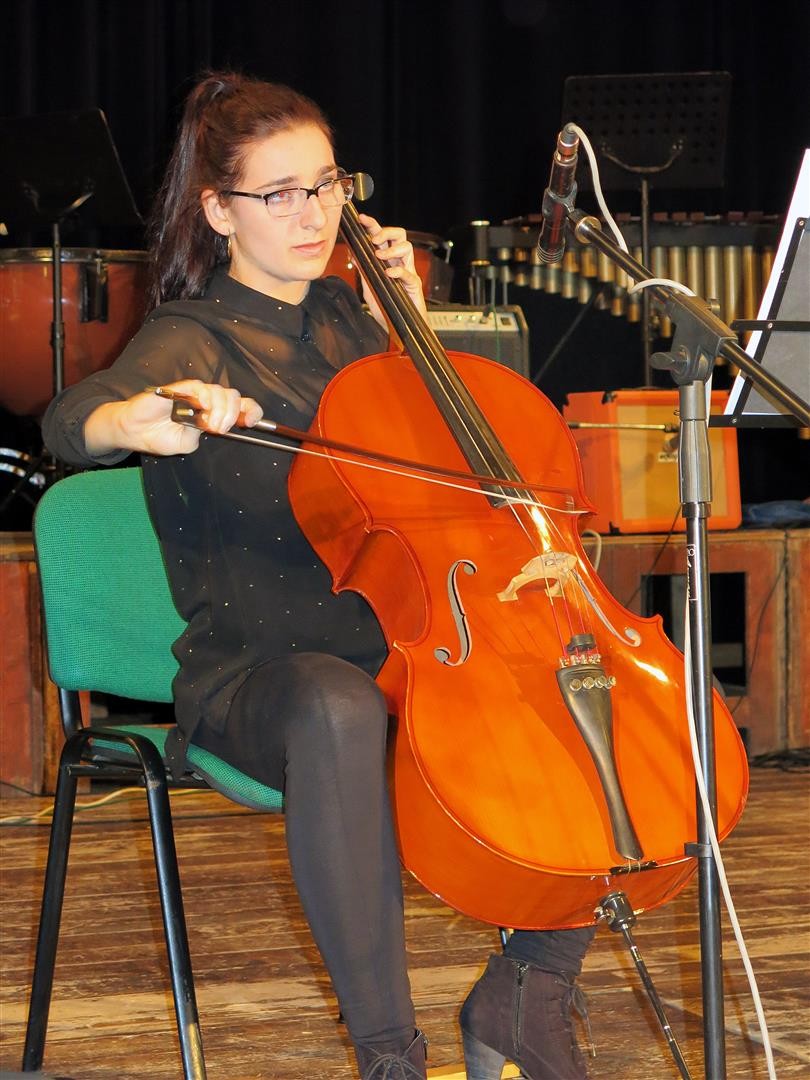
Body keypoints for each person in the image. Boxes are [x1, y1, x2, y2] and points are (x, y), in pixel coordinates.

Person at [42, 71, 594, 1079]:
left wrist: (410, 327)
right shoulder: (190, 336)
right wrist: (139, 420)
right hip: (263, 676)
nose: (314, 214)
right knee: (340, 706)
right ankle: (389, 1057)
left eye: (328, 184)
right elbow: (73, 422)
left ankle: (529, 991)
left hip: (402, 650)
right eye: (280, 193)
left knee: (586, 679)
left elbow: (432, 481)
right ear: (220, 211)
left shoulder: (354, 320)